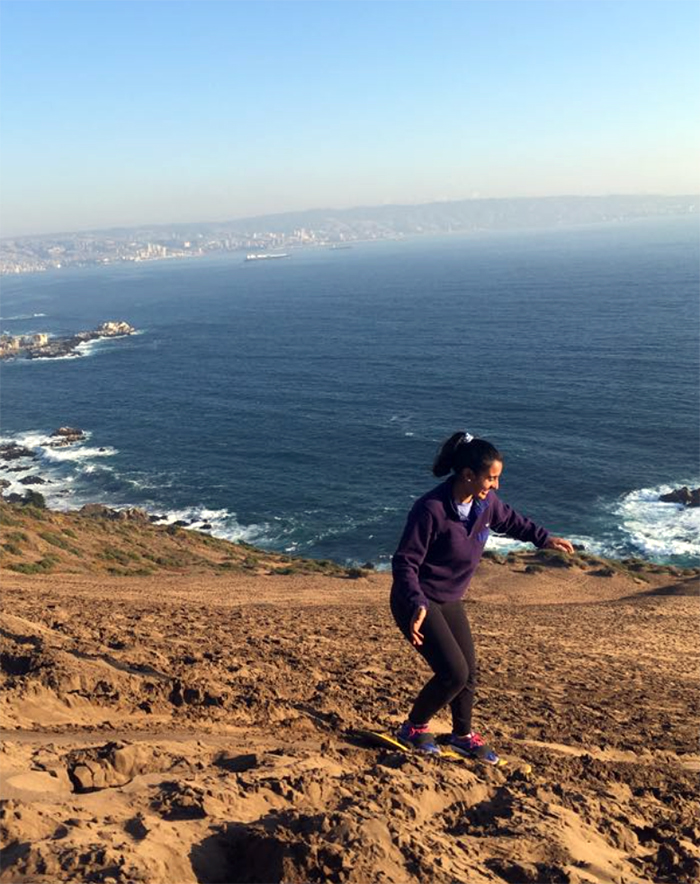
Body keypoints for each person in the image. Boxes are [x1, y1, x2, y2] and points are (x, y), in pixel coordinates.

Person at [390, 431, 574, 763]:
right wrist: (416, 601)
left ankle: (461, 737)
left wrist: (544, 539)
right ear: (468, 475)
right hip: (416, 600)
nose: (496, 485)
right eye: (491, 478)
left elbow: (512, 520)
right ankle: (413, 728)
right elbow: (405, 561)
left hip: (448, 598)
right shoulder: (430, 509)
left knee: (470, 673)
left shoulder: (485, 503)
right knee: (454, 673)